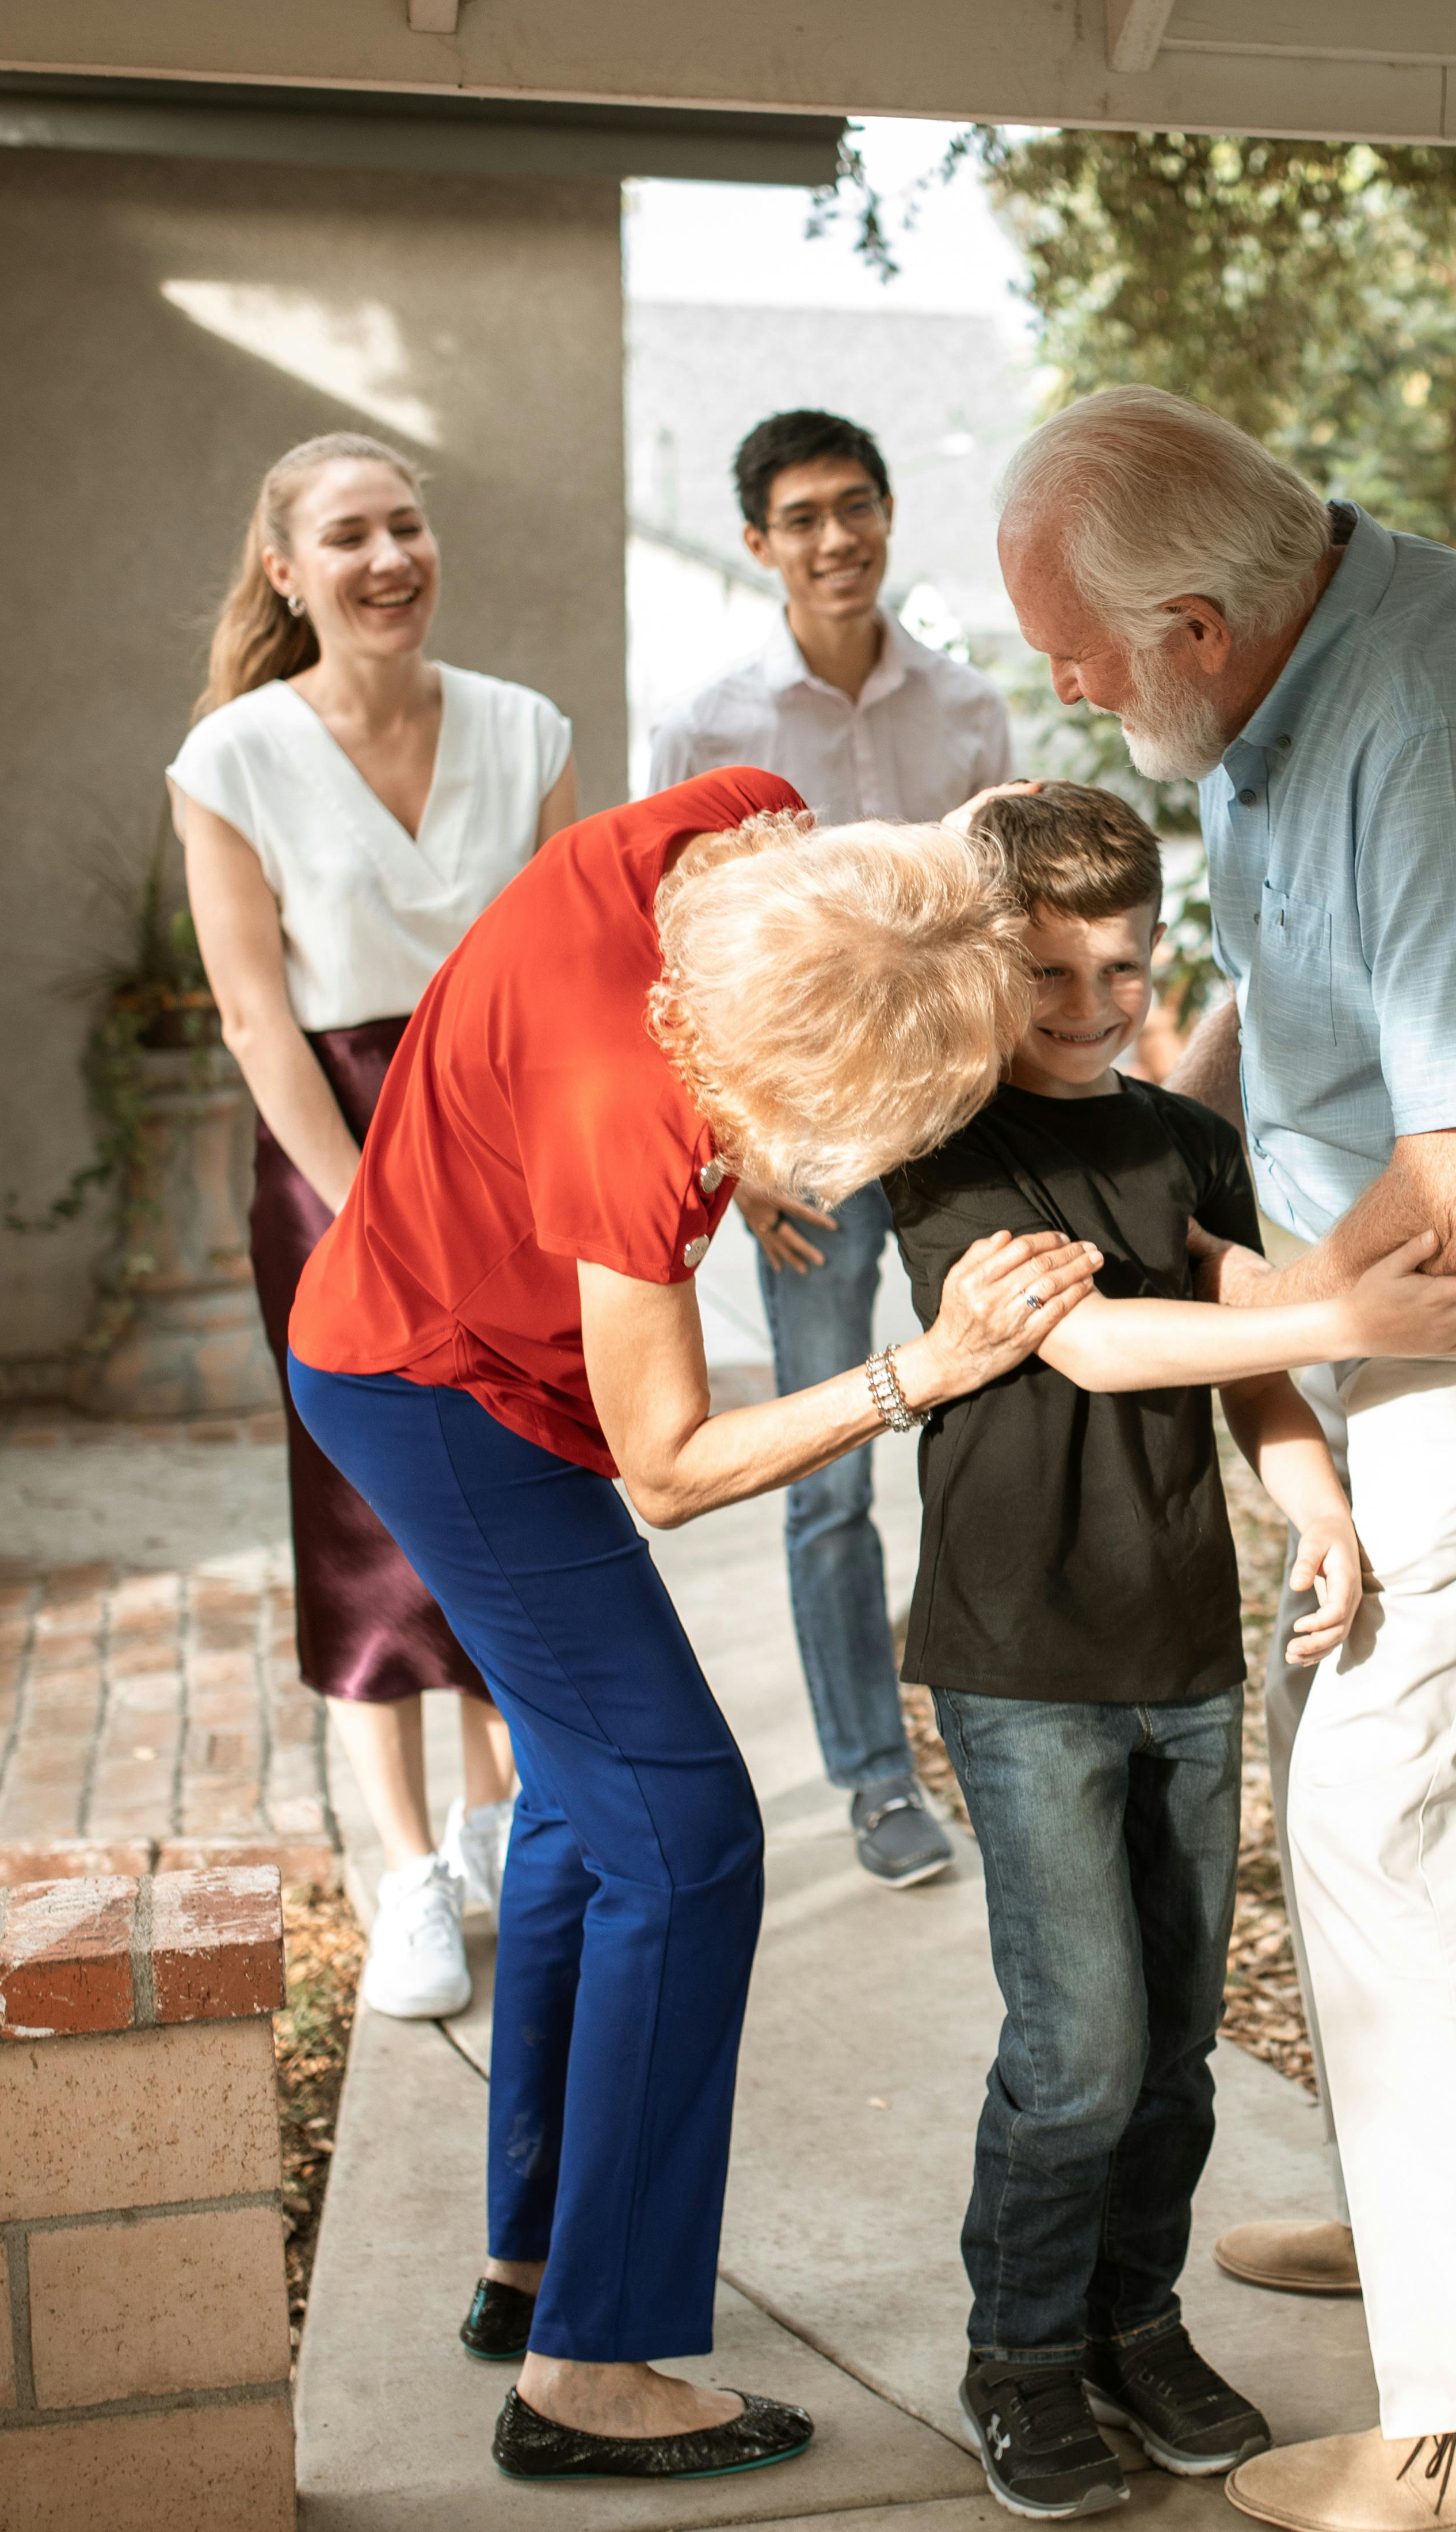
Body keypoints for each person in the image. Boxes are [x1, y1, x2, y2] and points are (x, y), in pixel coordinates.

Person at [999, 389, 1456, 2532]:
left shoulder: (1436, 728)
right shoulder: (1272, 710)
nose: (1060, 682)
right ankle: (1438, 2219)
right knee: (1359, 1733)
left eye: (1076, 650)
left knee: (1378, 1797)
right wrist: (1137, 1125)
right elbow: (1281, 992)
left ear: (1199, 622)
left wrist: (1263, 1320)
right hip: (1425, 1261)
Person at [285, 767, 1100, 2487]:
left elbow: (939, 866)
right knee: (688, 1841)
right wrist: (918, 1372)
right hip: (442, 1393)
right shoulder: (626, 1114)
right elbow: (665, 1468)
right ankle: (592, 2367)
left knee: (594, 1811)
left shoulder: (727, 823)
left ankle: (534, 2267)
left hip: (421, 1321)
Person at [889, 786, 1456, 2521]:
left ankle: (1133, 2319)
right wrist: (1359, 1317)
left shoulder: (1182, 1135)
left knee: (1177, 2027)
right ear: (983, 964)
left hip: (1178, 1647)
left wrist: (1313, 1502)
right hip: (1023, 1656)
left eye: (1121, 964)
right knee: (1080, 2041)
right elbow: (1095, 1344)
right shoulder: (948, 1144)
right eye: (1047, 973)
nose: (1091, 1003)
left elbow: (1240, 1359)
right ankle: (1018, 2353)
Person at [170, 431, 573, 2023]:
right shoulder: (232, 760)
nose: (388, 557)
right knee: (367, 1506)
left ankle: (493, 1824)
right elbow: (259, 1025)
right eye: (348, 536)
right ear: (285, 570)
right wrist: (375, 1213)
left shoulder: (522, 728)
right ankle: (404, 1866)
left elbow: (558, 979)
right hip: (329, 1151)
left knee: (519, 1469)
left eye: (406, 525)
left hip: (506, 1143)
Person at [642, 409, 1019, 1891]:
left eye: (856, 506)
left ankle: (1000, 1740)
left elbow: (1000, 924)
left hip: (953, 1131)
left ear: (884, 513)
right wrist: (738, 1162)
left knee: (988, 1436)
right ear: (759, 544)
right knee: (831, 1475)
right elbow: (667, 955)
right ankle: (874, 1780)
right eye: (802, 517)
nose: (836, 537)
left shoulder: (968, 712)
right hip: (803, 1160)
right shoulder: (709, 725)